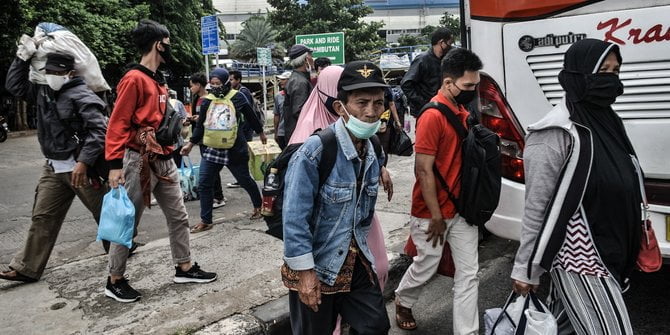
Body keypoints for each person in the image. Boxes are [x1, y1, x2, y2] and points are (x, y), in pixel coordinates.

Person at [511, 38, 641, 335]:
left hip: (611, 251)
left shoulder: (607, 122)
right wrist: (526, 268)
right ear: (578, 76)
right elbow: (537, 207)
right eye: (602, 71)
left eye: (615, 72)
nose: (610, 80)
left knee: (560, 329)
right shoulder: (555, 134)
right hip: (581, 259)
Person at [104, 19, 217, 303]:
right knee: (127, 222)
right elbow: (118, 123)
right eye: (167, 42)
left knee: (179, 216)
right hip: (139, 161)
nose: (170, 48)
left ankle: (184, 266)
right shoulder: (134, 79)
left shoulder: (157, 80)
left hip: (165, 159)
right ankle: (114, 279)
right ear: (159, 44)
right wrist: (115, 165)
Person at [282, 61, 391, 335]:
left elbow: (362, 215)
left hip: (356, 264)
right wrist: (305, 273)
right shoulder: (316, 150)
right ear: (340, 108)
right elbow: (294, 217)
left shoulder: (373, 147)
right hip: (318, 266)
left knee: (375, 326)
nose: (370, 112)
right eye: (362, 103)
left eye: (378, 103)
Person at [394, 48, 482, 334]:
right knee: (427, 264)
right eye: (468, 86)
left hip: (461, 208)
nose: (472, 90)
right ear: (448, 82)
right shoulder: (431, 116)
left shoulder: (462, 111)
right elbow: (423, 170)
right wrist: (435, 214)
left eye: (475, 85)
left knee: (468, 274)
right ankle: (403, 299)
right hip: (432, 210)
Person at [1, 51, 109, 283]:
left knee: (106, 215)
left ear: (70, 73)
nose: (52, 76)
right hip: (53, 167)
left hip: (81, 170)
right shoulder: (42, 92)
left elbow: (99, 132)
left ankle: (122, 250)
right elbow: (14, 86)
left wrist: (83, 162)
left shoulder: (83, 96)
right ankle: (27, 268)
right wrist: (21, 58)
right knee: (43, 217)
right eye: (49, 72)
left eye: (58, 72)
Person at [181, 68, 267, 233]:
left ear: (226, 82)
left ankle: (258, 205)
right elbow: (200, 126)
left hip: (234, 147)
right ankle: (206, 220)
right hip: (212, 148)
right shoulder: (208, 100)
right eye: (212, 84)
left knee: (244, 179)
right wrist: (190, 144)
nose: (215, 87)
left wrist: (261, 133)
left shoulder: (238, 96)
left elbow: (251, 116)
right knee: (205, 183)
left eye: (218, 83)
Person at [189, 73, 225, 208]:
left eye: (192, 86)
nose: (191, 88)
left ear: (198, 85)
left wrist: (200, 119)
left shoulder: (210, 99)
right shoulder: (196, 99)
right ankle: (215, 195)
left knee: (211, 168)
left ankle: (219, 197)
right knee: (209, 169)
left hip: (209, 137)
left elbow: (214, 117)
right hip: (200, 137)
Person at [401, 27, 453, 116]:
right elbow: (406, 84)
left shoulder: (445, 60)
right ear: (441, 43)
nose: (451, 46)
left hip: (442, 109)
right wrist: (423, 103)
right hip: (425, 112)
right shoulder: (422, 60)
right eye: (449, 43)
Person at [282, 44, 314, 142]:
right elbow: (299, 111)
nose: (313, 59)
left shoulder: (299, 78)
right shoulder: (299, 82)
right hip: (300, 136)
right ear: (305, 60)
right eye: (310, 56)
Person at [273, 70, 291, 149]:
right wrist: (276, 132)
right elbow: (277, 115)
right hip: (282, 133)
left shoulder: (296, 95)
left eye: (283, 79)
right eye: (280, 80)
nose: (281, 81)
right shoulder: (278, 96)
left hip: (293, 132)